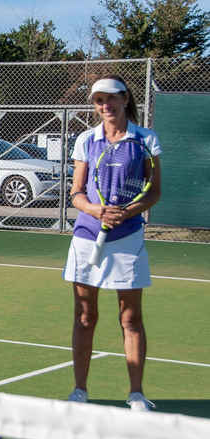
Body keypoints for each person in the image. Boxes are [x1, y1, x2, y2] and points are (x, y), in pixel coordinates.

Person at [63, 75, 162, 411]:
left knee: (130, 317)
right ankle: (80, 390)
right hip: (87, 237)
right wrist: (96, 210)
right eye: (99, 101)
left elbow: (154, 190)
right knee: (85, 316)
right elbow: (76, 194)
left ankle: (136, 393)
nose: (105, 106)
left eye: (111, 99)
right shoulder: (85, 141)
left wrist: (127, 212)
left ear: (124, 99)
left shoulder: (146, 139)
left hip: (128, 236)